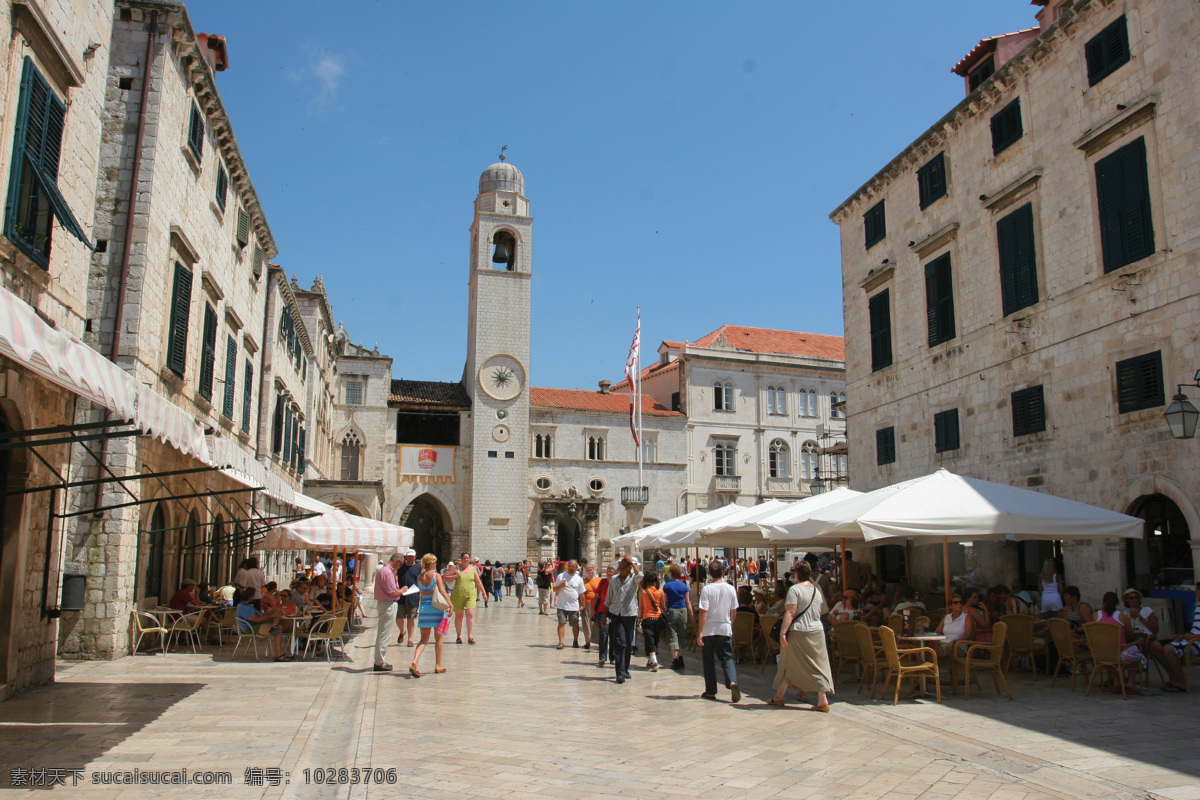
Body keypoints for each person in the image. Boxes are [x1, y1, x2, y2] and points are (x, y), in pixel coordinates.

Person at [769, 562, 833, 711]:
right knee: (819, 664)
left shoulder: (795, 589)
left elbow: (790, 612)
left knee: (788, 662)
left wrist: (783, 633)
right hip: (816, 629)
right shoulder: (817, 590)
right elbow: (823, 610)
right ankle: (822, 698)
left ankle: (779, 696)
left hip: (799, 630)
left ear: (796, 574)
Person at [1120, 587, 1187, 691]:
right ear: (1127, 600)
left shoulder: (1146, 610)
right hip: (1132, 637)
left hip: (1146, 637)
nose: (1134, 600)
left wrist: (1140, 618)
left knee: (1149, 646)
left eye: (1136, 598)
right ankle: (1122, 678)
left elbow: (1155, 629)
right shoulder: (1125, 613)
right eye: (1131, 598)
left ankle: (1174, 677)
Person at [698, 561, 740, 702]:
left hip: (709, 629)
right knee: (727, 657)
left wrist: (700, 632)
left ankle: (710, 691)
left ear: (709, 573)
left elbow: (703, 612)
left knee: (708, 660)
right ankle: (732, 682)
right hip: (725, 627)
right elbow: (734, 610)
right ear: (723, 572)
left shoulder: (707, 589)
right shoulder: (730, 589)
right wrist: (731, 625)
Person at [1095, 591, 1146, 694]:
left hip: (1101, 654)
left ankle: (1117, 683)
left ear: (1103, 602)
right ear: (1117, 602)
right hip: (1119, 654)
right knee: (1136, 650)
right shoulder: (1121, 616)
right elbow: (1131, 634)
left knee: (1111, 648)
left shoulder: (1096, 616)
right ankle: (1130, 683)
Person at [411, 554, 450, 677]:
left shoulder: (419, 577)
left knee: (423, 639)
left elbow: (422, 591)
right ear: (432, 563)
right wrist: (450, 604)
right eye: (435, 562)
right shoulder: (436, 575)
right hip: (437, 609)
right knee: (439, 637)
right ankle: (438, 664)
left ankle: (415, 660)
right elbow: (442, 591)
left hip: (424, 608)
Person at [606, 556, 640, 684]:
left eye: (623, 568)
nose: (620, 570)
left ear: (629, 569)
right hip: (616, 613)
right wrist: (604, 616)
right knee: (620, 642)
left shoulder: (633, 579)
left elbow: (641, 575)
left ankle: (625, 669)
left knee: (628, 643)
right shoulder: (614, 580)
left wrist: (632, 561)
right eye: (619, 568)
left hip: (630, 614)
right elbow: (608, 598)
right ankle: (619, 673)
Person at [235, 588, 290, 661]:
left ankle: (274, 626)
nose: (254, 597)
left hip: (257, 624)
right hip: (251, 628)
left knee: (278, 611)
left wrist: (270, 611)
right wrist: (270, 616)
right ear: (249, 596)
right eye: (253, 596)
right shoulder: (242, 607)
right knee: (278, 629)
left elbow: (260, 615)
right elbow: (256, 619)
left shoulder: (249, 606)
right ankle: (278, 654)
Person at [371, 553, 404, 672]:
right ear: (398, 562)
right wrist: (403, 590)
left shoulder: (386, 571)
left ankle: (380, 660)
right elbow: (392, 592)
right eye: (401, 564)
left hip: (384, 604)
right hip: (388, 604)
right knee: (384, 634)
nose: (400, 567)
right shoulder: (387, 572)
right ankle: (379, 662)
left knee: (383, 633)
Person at [450, 553, 486, 644]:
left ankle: (470, 636)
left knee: (470, 614)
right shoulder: (456, 568)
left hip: (470, 595)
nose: (466, 559)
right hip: (458, 595)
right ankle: (459, 636)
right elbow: (445, 578)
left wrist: (484, 593)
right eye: (464, 558)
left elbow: (478, 582)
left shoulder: (473, 569)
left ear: (469, 559)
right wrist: (455, 576)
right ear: (461, 559)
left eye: (467, 558)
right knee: (459, 616)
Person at [662, 564, 692, 672]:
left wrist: (665, 611)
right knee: (682, 635)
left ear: (671, 573)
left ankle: (675, 660)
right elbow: (688, 602)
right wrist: (691, 615)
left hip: (671, 610)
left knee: (672, 635)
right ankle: (681, 658)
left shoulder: (667, 586)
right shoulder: (684, 586)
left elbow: (665, 601)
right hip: (683, 610)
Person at [553, 560, 587, 649]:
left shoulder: (579, 579)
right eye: (570, 566)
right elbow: (554, 589)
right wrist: (561, 586)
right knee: (561, 623)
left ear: (576, 568)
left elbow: (582, 593)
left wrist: (583, 606)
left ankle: (575, 641)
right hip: (562, 605)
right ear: (567, 566)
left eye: (573, 566)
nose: (571, 568)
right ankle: (561, 642)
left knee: (575, 625)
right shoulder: (561, 576)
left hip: (574, 606)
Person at [638, 570, 665, 671]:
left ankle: (654, 661)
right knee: (655, 640)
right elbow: (663, 606)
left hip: (647, 618)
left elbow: (641, 607)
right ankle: (651, 660)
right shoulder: (660, 591)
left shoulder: (642, 591)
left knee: (649, 640)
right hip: (658, 618)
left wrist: (639, 618)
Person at [394, 549, 422, 646]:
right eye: (409, 556)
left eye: (412, 556)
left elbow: (421, 580)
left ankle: (410, 639)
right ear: (406, 557)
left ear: (415, 557)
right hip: (401, 595)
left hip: (413, 596)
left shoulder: (418, 568)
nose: (410, 558)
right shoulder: (400, 567)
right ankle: (402, 631)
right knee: (398, 618)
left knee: (411, 618)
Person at [935, 594, 974, 659]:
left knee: (934, 652)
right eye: (956, 602)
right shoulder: (947, 617)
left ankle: (932, 668)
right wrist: (938, 641)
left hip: (957, 646)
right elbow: (937, 632)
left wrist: (954, 642)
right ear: (950, 606)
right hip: (943, 643)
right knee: (930, 648)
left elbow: (967, 635)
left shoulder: (966, 617)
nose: (959, 604)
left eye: (961, 602)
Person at [593, 565, 614, 667]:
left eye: (611, 571)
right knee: (603, 634)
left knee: (614, 634)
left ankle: (613, 657)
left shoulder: (617, 583)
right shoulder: (602, 582)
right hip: (602, 611)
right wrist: (593, 609)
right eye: (608, 571)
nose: (609, 573)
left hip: (614, 612)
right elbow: (596, 596)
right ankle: (602, 657)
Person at [581, 564, 600, 650]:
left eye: (591, 570)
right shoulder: (583, 581)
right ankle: (587, 641)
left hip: (596, 604)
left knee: (596, 624)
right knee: (586, 623)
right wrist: (582, 605)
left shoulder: (599, 580)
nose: (590, 572)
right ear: (586, 572)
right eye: (588, 570)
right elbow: (581, 594)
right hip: (587, 604)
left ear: (594, 571)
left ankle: (599, 641)